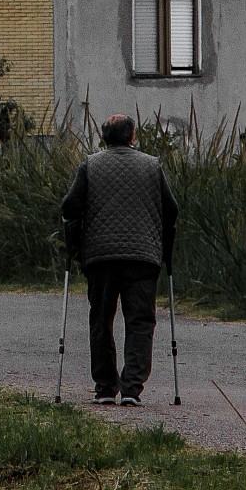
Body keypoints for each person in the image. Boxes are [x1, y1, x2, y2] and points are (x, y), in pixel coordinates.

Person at [59, 114, 178, 406]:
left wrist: (75, 245)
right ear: (132, 136)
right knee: (140, 321)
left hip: (100, 258)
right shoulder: (152, 165)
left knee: (101, 319)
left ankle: (104, 388)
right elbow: (171, 210)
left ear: (104, 138)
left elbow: (69, 206)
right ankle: (132, 389)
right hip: (143, 258)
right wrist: (164, 251)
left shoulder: (90, 164)